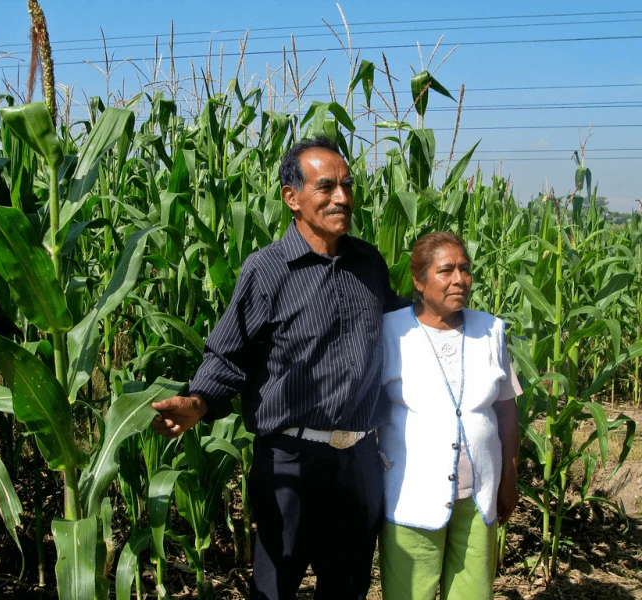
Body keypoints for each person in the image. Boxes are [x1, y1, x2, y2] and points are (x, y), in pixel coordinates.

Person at [151, 136, 407, 599]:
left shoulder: (369, 262)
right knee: (275, 588)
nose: (342, 197)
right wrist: (199, 400)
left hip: (360, 461)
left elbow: (398, 325)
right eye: (326, 187)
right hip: (291, 462)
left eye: (347, 185)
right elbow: (229, 352)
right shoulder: (267, 270)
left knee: (348, 587)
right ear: (292, 197)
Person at [377, 231, 521, 600]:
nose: (460, 279)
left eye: (465, 269)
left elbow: (506, 410)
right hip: (411, 497)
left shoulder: (491, 330)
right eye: (446, 270)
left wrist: (508, 479)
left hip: (479, 498)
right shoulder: (390, 332)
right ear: (419, 281)